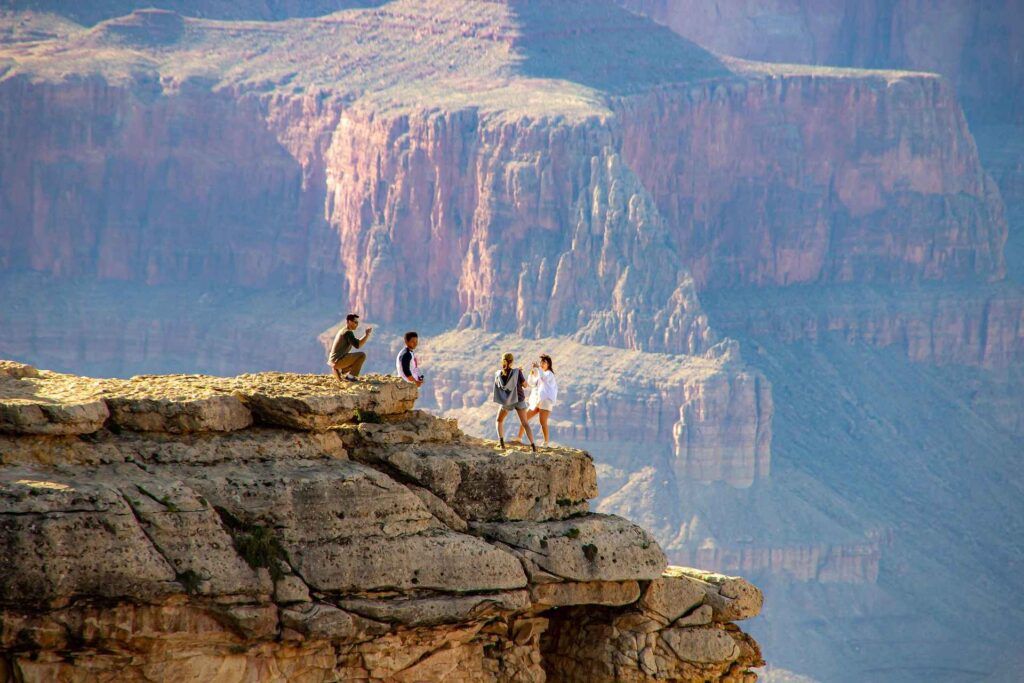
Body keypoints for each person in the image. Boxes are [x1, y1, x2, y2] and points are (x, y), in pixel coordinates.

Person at [492, 352, 536, 452]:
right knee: (525, 423)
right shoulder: (517, 372)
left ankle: (501, 444)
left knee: (499, 420)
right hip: (519, 400)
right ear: (512, 362)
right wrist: (519, 373)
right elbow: (525, 385)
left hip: (507, 401)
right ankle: (533, 446)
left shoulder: (498, 374)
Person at [514, 354, 558, 447]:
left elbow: (544, 378)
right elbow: (531, 383)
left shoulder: (550, 374)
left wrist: (538, 368)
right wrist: (533, 372)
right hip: (537, 401)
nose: (542, 364)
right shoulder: (540, 372)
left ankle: (546, 442)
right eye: (541, 362)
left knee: (543, 422)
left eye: (544, 362)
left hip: (546, 401)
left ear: (549, 364)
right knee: (524, 417)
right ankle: (518, 438)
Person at [328, 313, 372, 381]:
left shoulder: (343, 331)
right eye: (355, 322)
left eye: (357, 322)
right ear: (349, 322)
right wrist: (367, 335)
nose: (357, 324)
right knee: (362, 355)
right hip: (337, 361)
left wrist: (366, 335)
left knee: (355, 360)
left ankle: (340, 370)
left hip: (333, 361)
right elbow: (358, 345)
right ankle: (350, 377)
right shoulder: (348, 332)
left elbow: (357, 343)